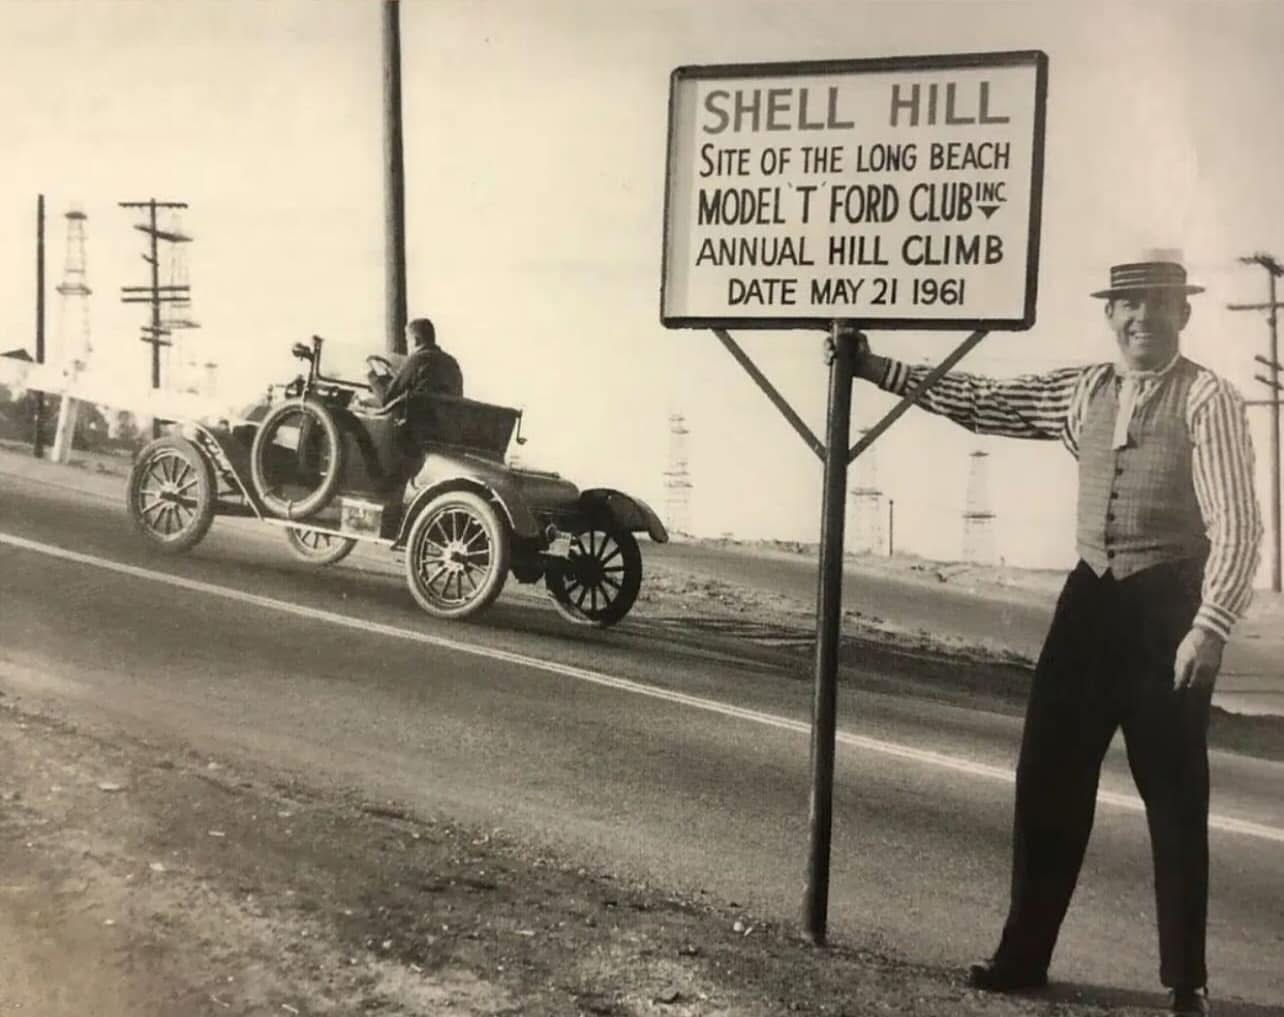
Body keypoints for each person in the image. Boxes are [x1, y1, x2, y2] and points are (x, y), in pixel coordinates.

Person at [843, 258, 1262, 1017]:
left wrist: (1210, 627)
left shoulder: (1210, 398)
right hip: (1090, 602)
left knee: (1174, 795)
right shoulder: (1084, 390)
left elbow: (1238, 524)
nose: (1142, 318)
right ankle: (1023, 956)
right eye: (1128, 305)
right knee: (1046, 778)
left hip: (1169, 608)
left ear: (1183, 314)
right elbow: (986, 402)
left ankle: (1185, 982)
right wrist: (878, 369)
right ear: (1110, 315)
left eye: (1158, 304)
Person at [370, 317, 463, 406]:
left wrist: (372, 376)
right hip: (448, 416)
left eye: (407, 340)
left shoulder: (416, 359)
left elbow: (386, 398)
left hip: (418, 415)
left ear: (415, 341)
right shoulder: (452, 362)